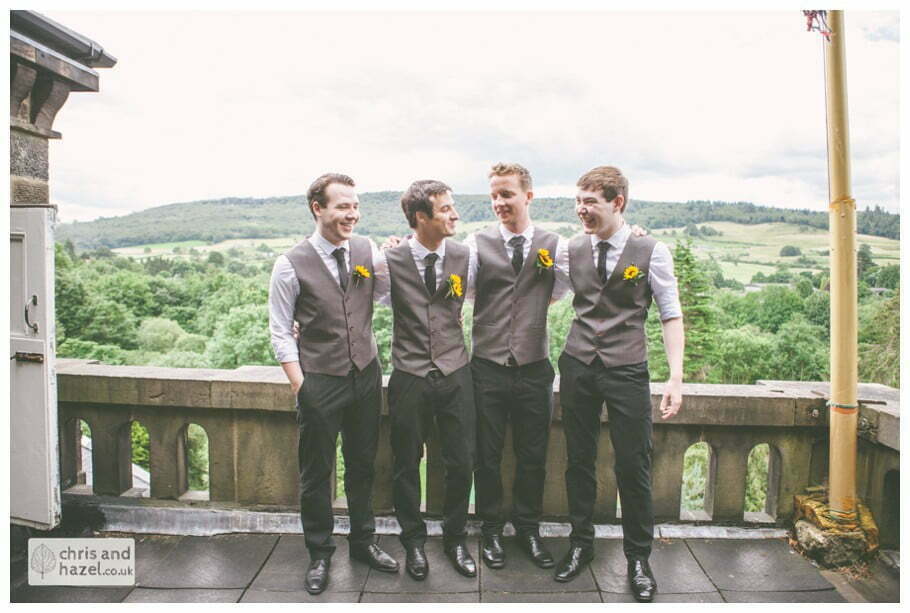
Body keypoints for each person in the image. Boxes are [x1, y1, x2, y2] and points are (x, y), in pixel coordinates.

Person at [553, 166, 684, 602]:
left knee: (633, 464)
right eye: (578, 201)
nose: (581, 210)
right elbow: (539, 285)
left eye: (590, 202)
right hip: (578, 364)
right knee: (579, 460)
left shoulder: (651, 251)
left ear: (618, 202)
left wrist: (675, 376)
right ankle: (580, 544)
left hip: (627, 369)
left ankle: (638, 559)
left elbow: (670, 313)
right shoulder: (570, 249)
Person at [268, 173, 399, 595]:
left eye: (355, 206)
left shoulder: (366, 250)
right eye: (343, 206)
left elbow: (385, 297)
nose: (352, 214)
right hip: (320, 380)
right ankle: (320, 552)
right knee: (316, 471)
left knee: (362, 464)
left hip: (365, 374)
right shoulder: (290, 264)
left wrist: (393, 260)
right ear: (317, 208)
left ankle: (363, 543)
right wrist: (301, 386)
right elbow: (280, 332)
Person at [464, 163, 567, 570]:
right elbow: (467, 292)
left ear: (528, 196)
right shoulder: (476, 244)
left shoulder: (555, 245)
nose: (498, 202)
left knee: (533, 455)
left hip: (534, 367)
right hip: (486, 366)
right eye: (494, 195)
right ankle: (490, 529)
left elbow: (562, 288)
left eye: (506, 194)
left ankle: (528, 529)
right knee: (486, 455)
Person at [383, 179, 477, 580]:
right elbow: (352, 300)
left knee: (462, 460)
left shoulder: (466, 255)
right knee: (406, 463)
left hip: (456, 372)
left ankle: (456, 538)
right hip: (409, 374)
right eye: (445, 209)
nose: (454, 215)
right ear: (421, 217)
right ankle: (413, 542)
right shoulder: (388, 259)